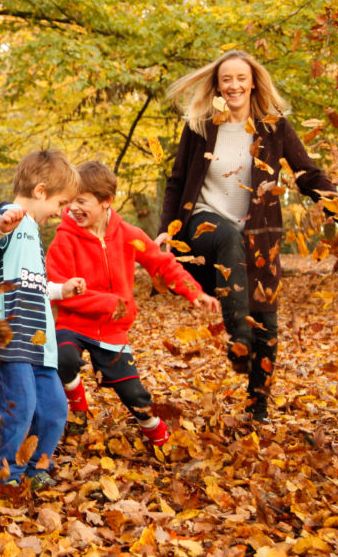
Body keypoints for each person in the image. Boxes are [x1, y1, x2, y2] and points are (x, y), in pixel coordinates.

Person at [155, 50, 338, 423]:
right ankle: (237, 334)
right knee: (226, 238)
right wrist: (165, 229)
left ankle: (258, 408)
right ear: (218, 85)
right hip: (203, 226)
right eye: (227, 79)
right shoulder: (201, 126)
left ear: (253, 81)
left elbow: (307, 174)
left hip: (259, 237)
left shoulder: (274, 128)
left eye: (241, 78)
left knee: (267, 326)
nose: (234, 85)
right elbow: (176, 182)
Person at [47, 161, 220, 446]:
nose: (73, 208)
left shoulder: (129, 235)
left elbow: (162, 264)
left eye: (81, 201)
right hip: (73, 323)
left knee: (135, 396)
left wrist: (194, 292)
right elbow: (60, 287)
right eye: (70, 202)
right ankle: (78, 407)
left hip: (113, 330)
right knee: (62, 358)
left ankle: (157, 434)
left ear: (106, 202)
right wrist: (108, 302)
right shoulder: (64, 240)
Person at [0, 149, 86, 489]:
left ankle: (36, 465)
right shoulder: (10, 219)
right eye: (60, 204)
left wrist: (61, 291)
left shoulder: (34, 236)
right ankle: (6, 475)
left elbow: (35, 284)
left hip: (40, 340)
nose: (61, 212)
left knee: (54, 407)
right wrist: (3, 223)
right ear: (40, 191)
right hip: (10, 336)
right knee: (20, 404)